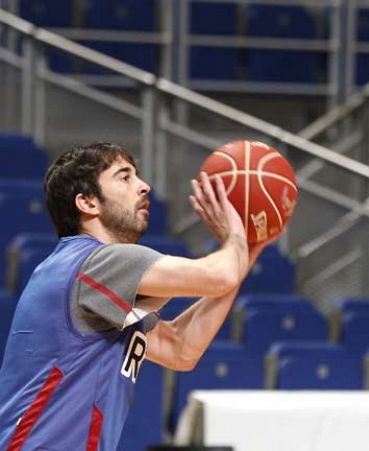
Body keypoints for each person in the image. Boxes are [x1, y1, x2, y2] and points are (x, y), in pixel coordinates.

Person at [0, 142, 268, 451]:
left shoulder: (86, 277)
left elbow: (180, 348)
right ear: (88, 202)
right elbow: (220, 275)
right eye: (124, 177)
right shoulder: (98, 262)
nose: (144, 186)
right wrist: (235, 235)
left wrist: (246, 248)